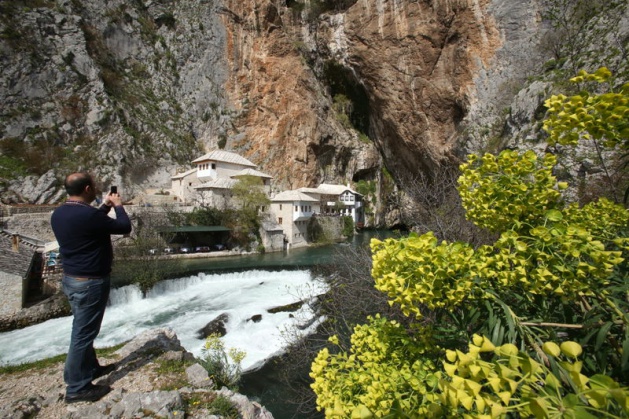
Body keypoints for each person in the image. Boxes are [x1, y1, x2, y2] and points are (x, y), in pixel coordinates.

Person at [51, 173, 132, 403]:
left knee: (83, 328)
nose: (96, 188)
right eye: (94, 186)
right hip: (90, 283)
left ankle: (91, 369)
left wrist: (104, 206)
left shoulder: (59, 213)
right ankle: (77, 388)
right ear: (87, 188)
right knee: (83, 334)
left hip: (71, 279)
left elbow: (90, 223)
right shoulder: (88, 215)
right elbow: (124, 226)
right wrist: (118, 206)